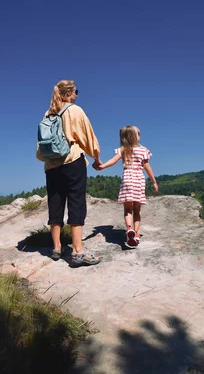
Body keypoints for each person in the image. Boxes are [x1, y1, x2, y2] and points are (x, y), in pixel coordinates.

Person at [36, 79, 102, 266]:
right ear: (68, 93)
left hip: (51, 165)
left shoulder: (48, 114)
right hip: (72, 160)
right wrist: (96, 157)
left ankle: (56, 247)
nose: (77, 95)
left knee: (55, 203)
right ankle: (78, 251)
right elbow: (87, 136)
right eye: (75, 92)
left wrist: (49, 159)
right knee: (76, 203)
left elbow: (40, 146)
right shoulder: (75, 110)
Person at [94, 125, 158, 248]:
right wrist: (154, 181)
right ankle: (136, 233)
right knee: (137, 210)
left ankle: (129, 229)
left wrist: (102, 167)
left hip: (127, 180)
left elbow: (113, 161)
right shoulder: (143, 150)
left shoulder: (122, 149)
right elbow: (147, 167)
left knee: (127, 209)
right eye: (138, 134)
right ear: (134, 137)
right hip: (139, 180)